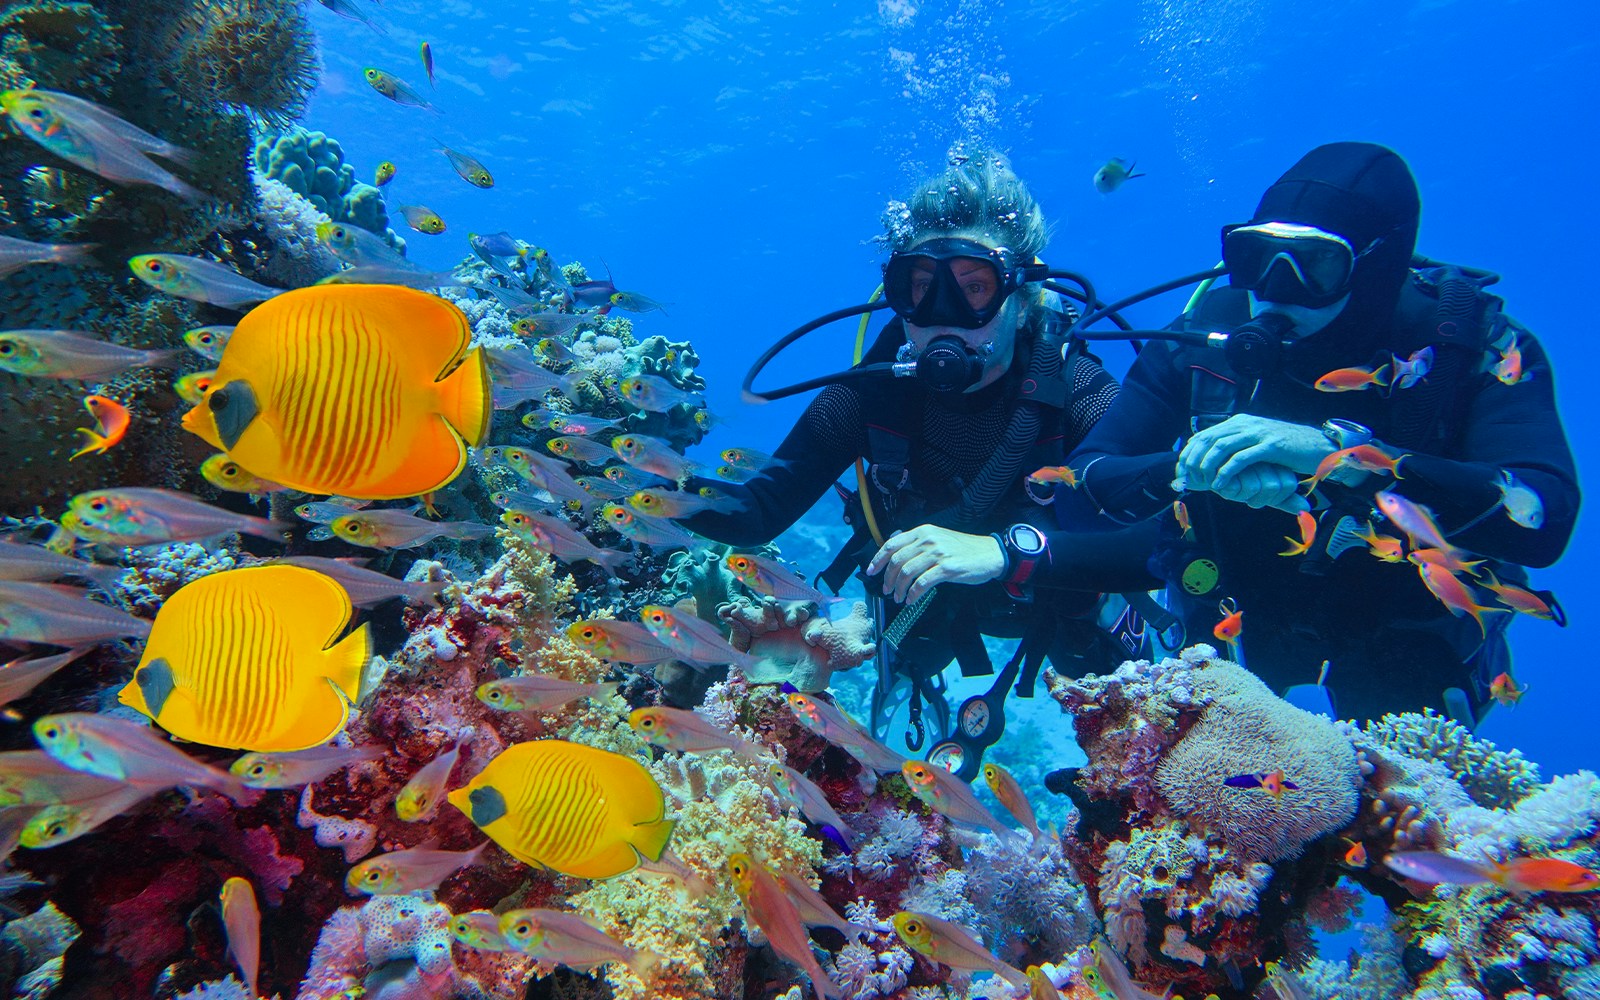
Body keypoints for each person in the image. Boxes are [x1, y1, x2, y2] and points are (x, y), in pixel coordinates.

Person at [1061, 141, 1578, 725]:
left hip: (1403, 628)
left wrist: (1350, 457)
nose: (1275, 289)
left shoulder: (1469, 350)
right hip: (1232, 615)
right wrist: (1191, 465)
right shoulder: (1205, 339)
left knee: (1398, 801)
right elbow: (1077, 489)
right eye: (1257, 257)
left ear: (1377, 265)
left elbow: (1545, 516)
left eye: (1318, 264)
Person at [683, 152, 1160, 777]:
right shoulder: (871, 390)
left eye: (975, 288)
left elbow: (1163, 531)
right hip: (926, 597)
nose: (941, 316)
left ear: (1022, 296)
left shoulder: (1077, 389)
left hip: (1055, 587)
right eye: (920, 288)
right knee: (908, 654)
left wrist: (1010, 552)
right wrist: (643, 481)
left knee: (1113, 688)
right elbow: (758, 510)